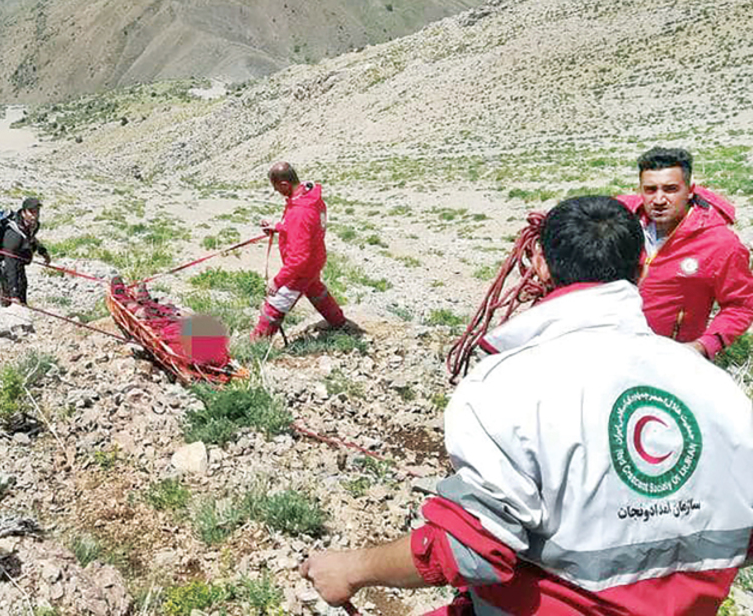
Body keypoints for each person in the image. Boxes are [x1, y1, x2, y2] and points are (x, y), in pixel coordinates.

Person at [301, 196, 753, 615]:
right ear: (640, 268)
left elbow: (472, 548)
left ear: (538, 262)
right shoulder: (719, 389)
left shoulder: (505, 385)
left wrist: (352, 567)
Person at [617, 146, 753, 359]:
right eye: (650, 189)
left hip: (671, 357)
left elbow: (740, 305)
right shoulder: (620, 221)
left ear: (690, 190)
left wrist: (703, 346)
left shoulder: (721, 245)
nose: (659, 199)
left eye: (670, 189)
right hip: (614, 346)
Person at [251, 161, 348, 338]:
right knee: (315, 290)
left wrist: (278, 281)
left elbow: (299, 257)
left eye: (276, 188)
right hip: (315, 259)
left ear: (284, 184)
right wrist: (280, 227)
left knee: (275, 304)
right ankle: (339, 323)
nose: (276, 192)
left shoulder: (300, 212)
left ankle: (256, 343)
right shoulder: (309, 198)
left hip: (302, 268)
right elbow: (306, 231)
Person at [0, 197, 49, 306]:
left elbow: (31, 238)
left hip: (18, 263)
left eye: (37, 212)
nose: (35, 215)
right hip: (5, 266)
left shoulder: (33, 225)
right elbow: (10, 263)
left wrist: (43, 252)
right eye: (31, 212)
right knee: (8, 300)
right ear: (23, 213)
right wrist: (14, 294)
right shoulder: (13, 234)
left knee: (23, 287)